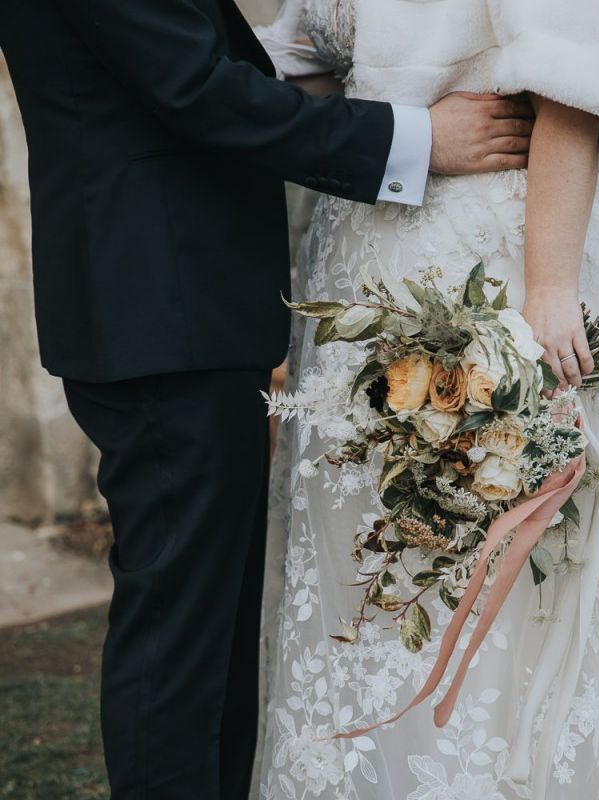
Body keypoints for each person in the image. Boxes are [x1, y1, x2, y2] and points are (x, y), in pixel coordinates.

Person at [260, 1, 599, 798]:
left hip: (502, 262)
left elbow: (576, 84)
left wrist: (548, 288)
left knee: (522, 578)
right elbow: (297, 62)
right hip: (365, 276)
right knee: (386, 576)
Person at [0, 2, 534, 798]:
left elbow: (193, 61)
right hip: (161, 315)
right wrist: (413, 139)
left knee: (207, 637)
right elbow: (199, 90)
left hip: (179, 313)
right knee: (177, 645)